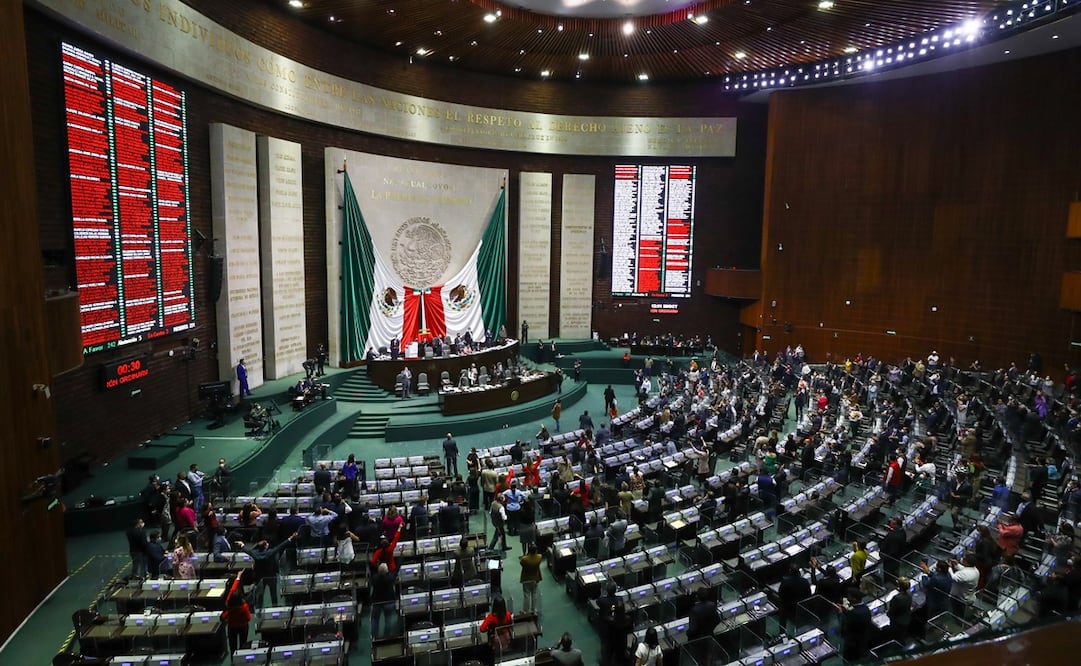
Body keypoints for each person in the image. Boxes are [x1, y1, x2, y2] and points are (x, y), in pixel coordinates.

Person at [839, 589, 873, 662]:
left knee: (849, 659)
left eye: (849, 597)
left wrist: (842, 614)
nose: (847, 598)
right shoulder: (865, 608)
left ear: (854, 599)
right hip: (864, 637)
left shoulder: (854, 613)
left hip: (854, 641)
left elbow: (847, 624)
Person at [777, 564, 811, 635]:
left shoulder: (786, 582)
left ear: (790, 572)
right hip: (801, 606)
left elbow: (780, 594)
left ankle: (782, 633)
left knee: (782, 613)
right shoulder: (805, 581)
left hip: (788, 606)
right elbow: (809, 594)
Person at [370, 562, 398, 639]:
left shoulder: (374, 578)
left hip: (376, 602)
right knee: (388, 619)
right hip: (388, 602)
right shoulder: (390, 578)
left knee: (375, 620)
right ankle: (386, 637)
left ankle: (374, 637)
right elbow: (396, 570)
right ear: (387, 571)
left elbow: (371, 568)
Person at [480, 596, 514, 660]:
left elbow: (482, 629)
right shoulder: (508, 614)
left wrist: (489, 629)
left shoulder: (491, 617)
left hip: (496, 641)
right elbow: (511, 625)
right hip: (506, 639)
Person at [222, 588, 253, 653]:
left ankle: (233, 659)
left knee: (233, 646)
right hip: (243, 627)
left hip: (232, 628)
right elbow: (248, 618)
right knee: (243, 644)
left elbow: (224, 617)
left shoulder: (230, 608)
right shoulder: (244, 608)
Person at [886, 577, 913, 644]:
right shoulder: (909, 594)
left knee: (896, 637)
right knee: (902, 635)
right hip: (906, 619)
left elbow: (892, 611)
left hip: (897, 622)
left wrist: (888, 614)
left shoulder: (897, 598)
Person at [519, 542, 544, 612]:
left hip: (526, 579)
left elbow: (521, 564)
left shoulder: (524, 559)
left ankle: (526, 611)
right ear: (536, 551)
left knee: (526, 595)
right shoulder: (539, 557)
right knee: (534, 594)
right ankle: (534, 610)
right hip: (535, 578)